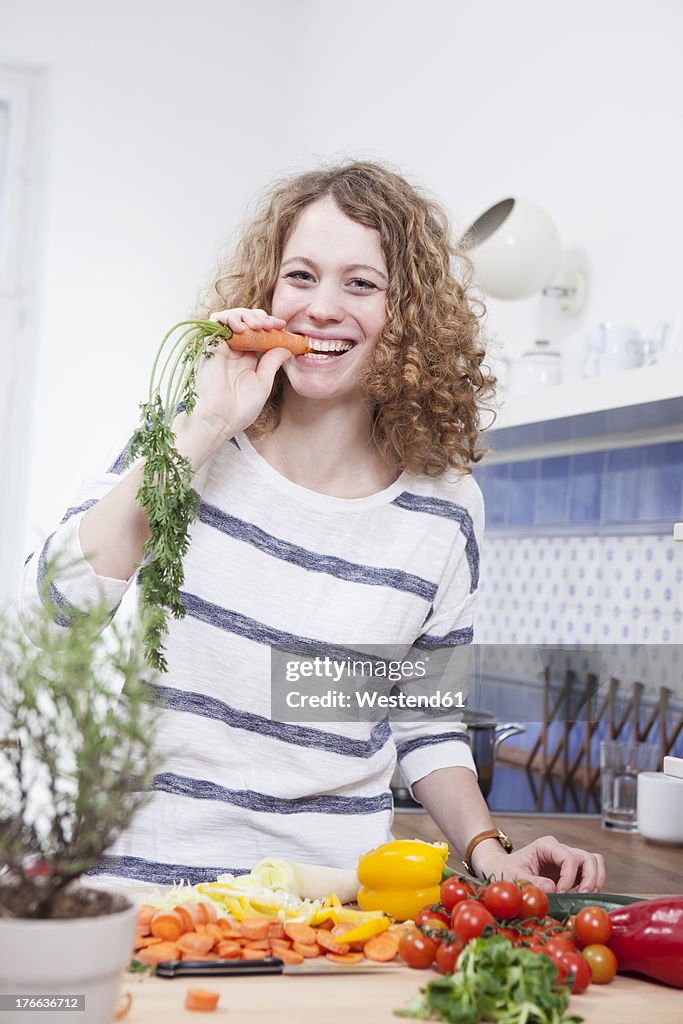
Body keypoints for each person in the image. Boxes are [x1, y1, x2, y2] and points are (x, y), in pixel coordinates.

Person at [20, 161, 605, 892]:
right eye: (300, 276)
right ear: (268, 291)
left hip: (331, 907)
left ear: (407, 315)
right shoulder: (190, 442)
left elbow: (424, 720)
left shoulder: (445, 505)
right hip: (148, 891)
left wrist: (490, 851)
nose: (321, 308)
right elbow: (56, 607)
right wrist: (203, 426)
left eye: (359, 284)